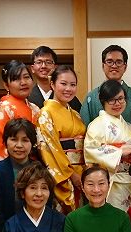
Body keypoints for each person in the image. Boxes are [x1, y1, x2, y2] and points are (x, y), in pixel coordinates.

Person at [37, 66, 87, 213]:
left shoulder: (76, 114)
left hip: (81, 173)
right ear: (52, 84)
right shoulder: (45, 114)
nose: (68, 89)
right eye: (63, 84)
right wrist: (71, 175)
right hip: (64, 175)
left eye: (73, 85)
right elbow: (50, 149)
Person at [84, 80, 131, 212]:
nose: (117, 103)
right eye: (112, 100)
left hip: (130, 181)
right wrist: (119, 152)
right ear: (103, 102)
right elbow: (91, 150)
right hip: (112, 182)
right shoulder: (97, 125)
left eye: (120, 99)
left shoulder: (130, 127)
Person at [0, 60, 40, 167]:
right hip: (13, 166)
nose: (23, 82)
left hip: (34, 166)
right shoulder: (5, 108)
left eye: (26, 77)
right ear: (6, 85)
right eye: (16, 79)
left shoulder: (35, 108)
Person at [80, 45, 131, 126]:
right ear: (103, 65)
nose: (114, 66)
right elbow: (84, 129)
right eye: (109, 62)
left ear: (125, 67)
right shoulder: (91, 97)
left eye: (119, 62)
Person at [28, 46, 81, 112]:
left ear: (55, 67)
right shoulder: (27, 97)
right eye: (39, 62)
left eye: (48, 62)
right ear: (32, 68)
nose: (43, 66)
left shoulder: (69, 97)